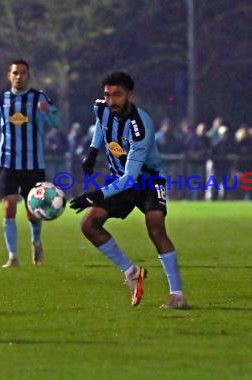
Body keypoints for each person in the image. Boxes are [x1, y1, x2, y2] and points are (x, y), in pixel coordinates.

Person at [70, 71, 187, 309]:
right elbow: (100, 125)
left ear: (129, 95)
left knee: (156, 228)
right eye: (108, 95)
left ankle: (177, 295)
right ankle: (131, 271)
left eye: (118, 95)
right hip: (119, 177)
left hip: (148, 180)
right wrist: (93, 151)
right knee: (88, 225)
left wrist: (95, 194)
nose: (112, 101)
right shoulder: (102, 108)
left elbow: (131, 179)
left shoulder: (140, 127)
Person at [0, 59, 61, 268]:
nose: (19, 76)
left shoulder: (39, 98)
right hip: (7, 162)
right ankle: (12, 257)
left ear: (28, 76)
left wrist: (48, 111)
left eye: (23, 73)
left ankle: (36, 242)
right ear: (9, 76)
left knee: (32, 212)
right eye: (15, 73)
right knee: (9, 206)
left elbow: (57, 124)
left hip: (33, 164)